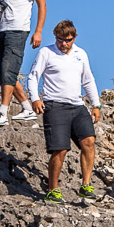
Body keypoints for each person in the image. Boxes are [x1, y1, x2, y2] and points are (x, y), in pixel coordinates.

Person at [27, 20, 102, 204]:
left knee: (89, 142)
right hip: (55, 106)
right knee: (59, 150)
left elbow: (88, 80)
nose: (63, 43)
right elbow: (33, 76)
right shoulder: (46, 52)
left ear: (74, 38)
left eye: (67, 40)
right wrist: (35, 98)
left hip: (77, 106)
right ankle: (53, 190)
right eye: (60, 39)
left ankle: (85, 185)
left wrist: (96, 104)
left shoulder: (80, 54)